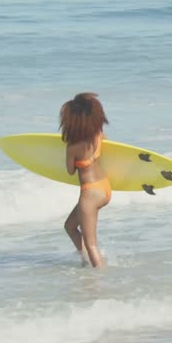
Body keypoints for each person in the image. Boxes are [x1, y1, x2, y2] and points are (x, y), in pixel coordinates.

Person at [61, 92, 110, 268]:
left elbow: (70, 170)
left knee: (91, 244)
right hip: (104, 188)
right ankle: (86, 261)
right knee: (69, 226)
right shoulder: (98, 134)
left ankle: (100, 278)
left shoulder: (72, 147)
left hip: (89, 194)